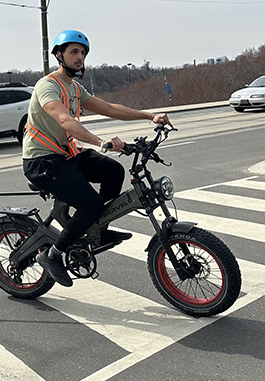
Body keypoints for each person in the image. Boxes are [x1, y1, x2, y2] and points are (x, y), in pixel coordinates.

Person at [24, 29, 172, 287]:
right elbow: (64, 120)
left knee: (113, 172)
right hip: (42, 161)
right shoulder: (47, 86)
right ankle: (52, 255)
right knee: (90, 204)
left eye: (83, 53)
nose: (80, 57)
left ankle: (95, 228)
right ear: (59, 55)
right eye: (74, 52)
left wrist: (150, 116)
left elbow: (110, 108)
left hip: (66, 155)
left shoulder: (75, 88)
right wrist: (100, 142)